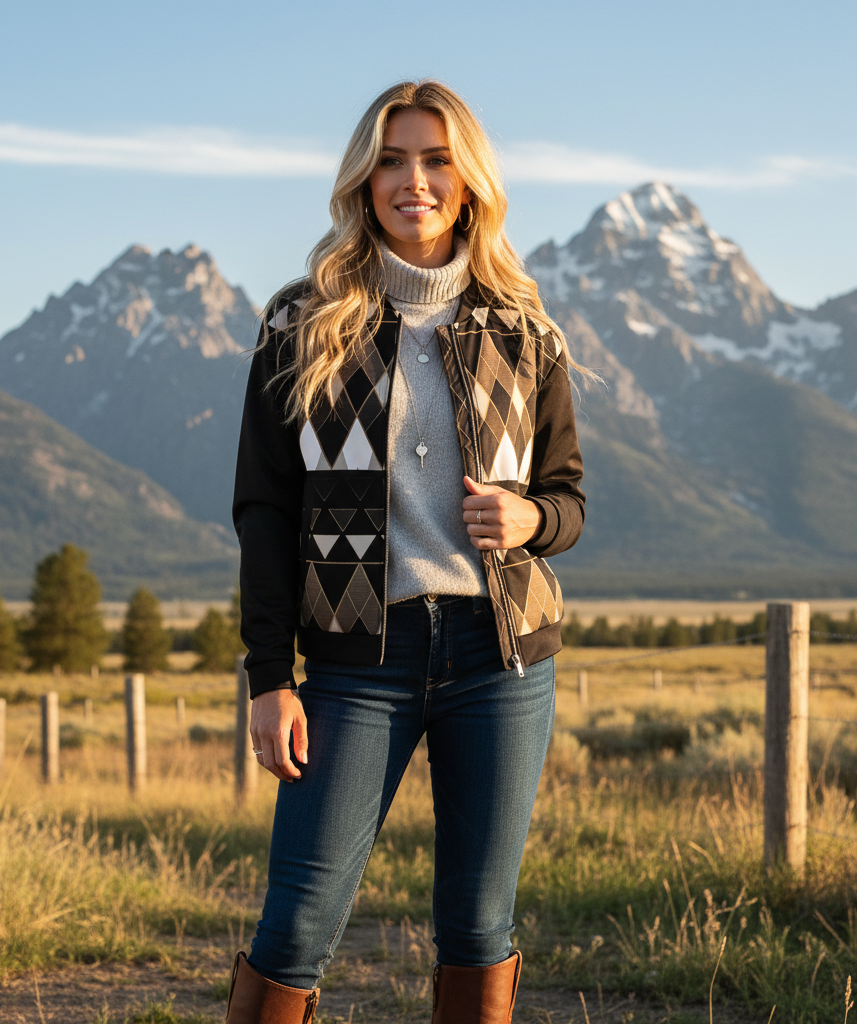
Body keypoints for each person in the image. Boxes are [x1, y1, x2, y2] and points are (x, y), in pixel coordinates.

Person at [228, 80, 587, 1024]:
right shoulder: (300, 322)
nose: (412, 180)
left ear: (468, 183)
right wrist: (271, 676)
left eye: (434, 160)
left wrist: (528, 524)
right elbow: (263, 510)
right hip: (355, 667)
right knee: (297, 923)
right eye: (390, 159)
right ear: (362, 179)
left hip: (499, 659)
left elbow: (568, 500)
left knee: (477, 924)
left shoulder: (524, 327)